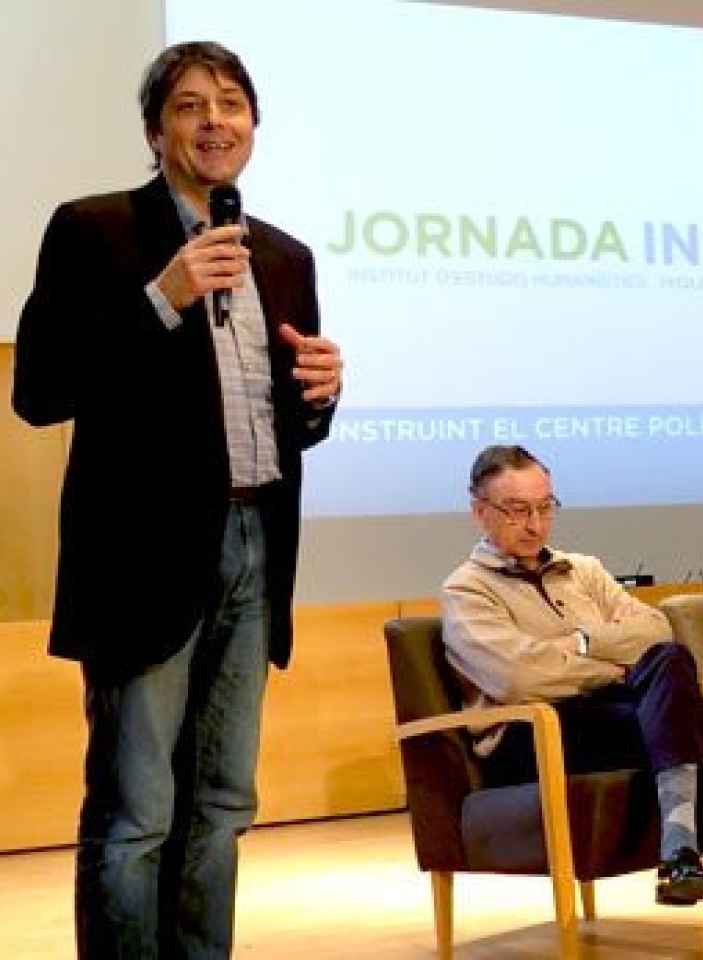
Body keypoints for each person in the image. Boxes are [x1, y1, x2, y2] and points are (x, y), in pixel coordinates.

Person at [12, 42, 343, 958]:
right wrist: (162, 296)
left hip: (255, 546)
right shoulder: (93, 230)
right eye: (191, 106)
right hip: (142, 560)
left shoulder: (284, 256)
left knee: (225, 803)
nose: (214, 122)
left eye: (231, 104)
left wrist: (319, 394)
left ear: (253, 127)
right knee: (136, 812)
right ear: (156, 129)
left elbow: (285, 426)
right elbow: (39, 392)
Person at [441, 446, 703, 960]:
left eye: (546, 507)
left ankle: (682, 854)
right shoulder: (466, 590)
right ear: (479, 510)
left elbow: (655, 629)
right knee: (700, 717)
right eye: (518, 510)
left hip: (609, 717)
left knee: (678, 673)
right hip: (532, 739)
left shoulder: (582, 570)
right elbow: (518, 676)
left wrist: (578, 647)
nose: (535, 523)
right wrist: (605, 657)